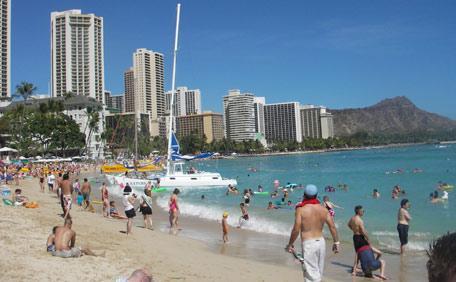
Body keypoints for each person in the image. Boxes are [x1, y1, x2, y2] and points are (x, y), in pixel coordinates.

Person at [286, 184, 340, 282]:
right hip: (321, 243)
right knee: (318, 273)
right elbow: (332, 226)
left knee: (310, 276)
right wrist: (336, 242)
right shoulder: (324, 209)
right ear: (316, 195)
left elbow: (296, 229)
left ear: (304, 195)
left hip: (309, 244)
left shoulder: (301, 209)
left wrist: (290, 244)